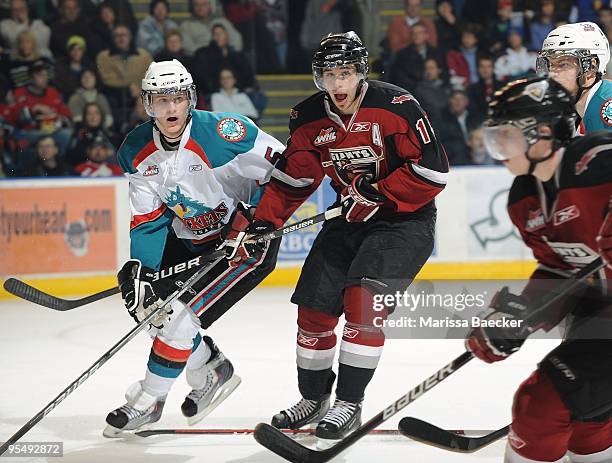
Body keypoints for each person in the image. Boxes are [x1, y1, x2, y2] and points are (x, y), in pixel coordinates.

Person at [224, 31, 448, 443]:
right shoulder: (308, 118)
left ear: (360, 72)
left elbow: (434, 171)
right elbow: (293, 179)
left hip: (405, 222)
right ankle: (314, 398)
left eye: (345, 73)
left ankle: (349, 401)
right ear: (318, 78)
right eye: (329, 75)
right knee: (314, 308)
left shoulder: (397, 106)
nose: (338, 84)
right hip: (348, 220)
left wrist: (378, 191)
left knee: (362, 303)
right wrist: (263, 223)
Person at [104, 59, 285, 436]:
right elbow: (149, 220)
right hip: (190, 239)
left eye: (178, 98)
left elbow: (287, 170)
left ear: (191, 99)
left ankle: (149, 400)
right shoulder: (136, 148)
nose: (170, 108)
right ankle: (210, 369)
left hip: (248, 241)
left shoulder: (225, 133)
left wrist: (253, 217)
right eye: (160, 100)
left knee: (181, 317)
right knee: (152, 308)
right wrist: (143, 271)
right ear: (147, 104)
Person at [466, 76, 612, 463]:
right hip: (600, 316)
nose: (498, 149)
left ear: (544, 135)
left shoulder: (597, 160)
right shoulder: (524, 198)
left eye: (507, 137)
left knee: (539, 407)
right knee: (589, 423)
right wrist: (520, 315)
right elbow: (561, 268)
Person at [537, 22, 612, 135]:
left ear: (591, 67)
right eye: (551, 65)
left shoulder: (606, 105)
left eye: (563, 64)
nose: (552, 74)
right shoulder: (568, 109)